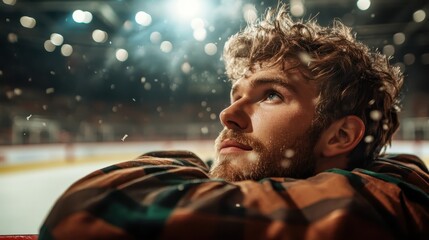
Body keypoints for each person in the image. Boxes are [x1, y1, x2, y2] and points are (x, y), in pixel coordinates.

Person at [39, 4, 429, 240]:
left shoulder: (386, 199)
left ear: (341, 134)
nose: (228, 114)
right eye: (236, 94)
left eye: (271, 94)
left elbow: (84, 216)